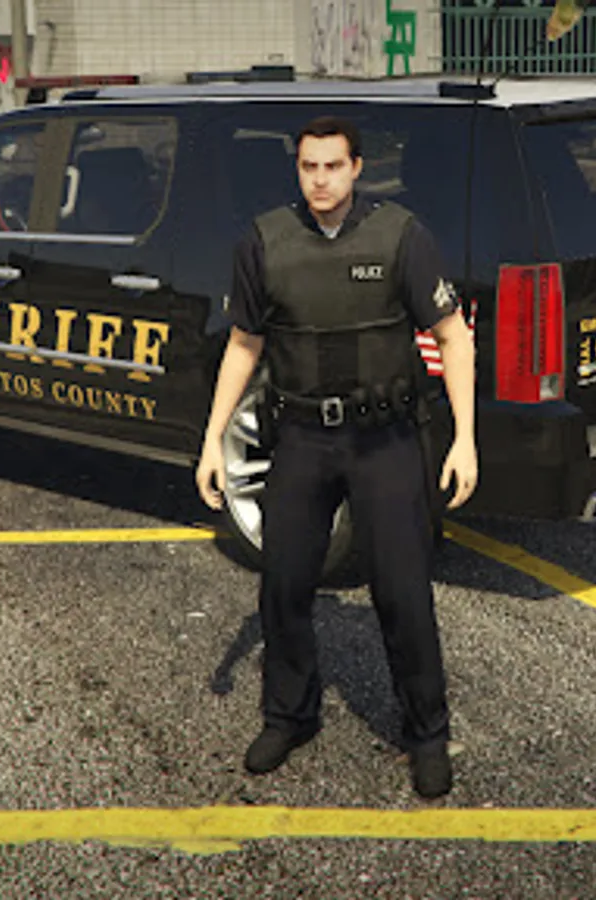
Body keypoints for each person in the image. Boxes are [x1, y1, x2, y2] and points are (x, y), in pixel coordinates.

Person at [195, 116, 478, 799]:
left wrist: (466, 438)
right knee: (283, 584)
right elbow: (243, 345)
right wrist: (212, 438)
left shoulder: (401, 236)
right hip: (301, 438)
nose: (320, 180)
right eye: (308, 167)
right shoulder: (265, 241)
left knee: (402, 593)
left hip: (385, 439)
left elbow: (452, 336)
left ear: (357, 168)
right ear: (297, 169)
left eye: (332, 166)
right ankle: (289, 717)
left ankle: (427, 734)